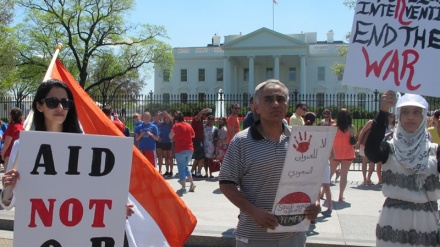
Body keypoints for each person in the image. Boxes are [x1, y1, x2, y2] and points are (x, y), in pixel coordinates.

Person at [0, 79, 135, 246]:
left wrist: (120, 204)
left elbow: (99, 187)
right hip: (43, 235)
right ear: (39, 106)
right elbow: (8, 203)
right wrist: (8, 189)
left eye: (65, 102)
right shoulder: (24, 146)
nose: (60, 108)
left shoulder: (87, 146)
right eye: (52, 102)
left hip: (78, 235)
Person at [219, 79, 320, 246]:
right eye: (268, 99)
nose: (275, 104)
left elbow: (310, 180)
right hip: (255, 236)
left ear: (287, 105)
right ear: (256, 107)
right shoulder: (241, 141)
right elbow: (226, 183)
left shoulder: (300, 139)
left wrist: (315, 202)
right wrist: (254, 212)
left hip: (294, 236)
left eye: (280, 99)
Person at [365, 91, 440, 247]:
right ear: (399, 115)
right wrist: (383, 111)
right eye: (405, 112)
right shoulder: (390, 147)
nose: (410, 117)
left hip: (426, 222)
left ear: (424, 116)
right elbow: (371, 152)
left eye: (416, 112)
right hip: (394, 220)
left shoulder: (435, 150)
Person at [304, 112, 333, 218]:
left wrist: (326, 155)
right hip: (316, 165)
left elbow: (333, 155)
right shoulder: (314, 139)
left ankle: (329, 207)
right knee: (315, 187)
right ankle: (318, 206)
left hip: (325, 164)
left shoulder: (329, 140)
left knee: (326, 185)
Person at [330, 108, 356, 202]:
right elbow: (353, 141)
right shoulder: (351, 127)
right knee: (344, 175)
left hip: (335, 153)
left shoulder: (333, 127)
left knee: (330, 173)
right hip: (348, 152)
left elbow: (330, 141)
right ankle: (341, 195)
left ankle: (323, 192)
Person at [169, 111, 196, 193]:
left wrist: (177, 137)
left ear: (176, 120)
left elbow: (170, 136)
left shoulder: (176, 126)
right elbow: (193, 135)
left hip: (180, 149)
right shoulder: (188, 125)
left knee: (181, 167)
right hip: (190, 149)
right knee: (185, 166)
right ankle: (191, 183)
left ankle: (183, 187)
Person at [191, 108, 209, 177]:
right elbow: (198, 116)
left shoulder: (200, 121)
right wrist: (202, 111)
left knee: (198, 158)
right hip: (197, 141)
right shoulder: (196, 119)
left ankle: (191, 172)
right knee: (201, 157)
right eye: (204, 114)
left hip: (198, 141)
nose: (205, 116)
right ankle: (198, 173)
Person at [159, 111, 174, 177]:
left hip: (170, 142)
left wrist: (167, 114)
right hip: (164, 142)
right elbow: (158, 117)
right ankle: (167, 171)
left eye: (167, 118)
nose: (167, 119)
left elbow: (172, 120)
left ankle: (171, 171)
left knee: (170, 157)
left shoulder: (171, 124)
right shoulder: (162, 124)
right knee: (165, 157)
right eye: (165, 118)